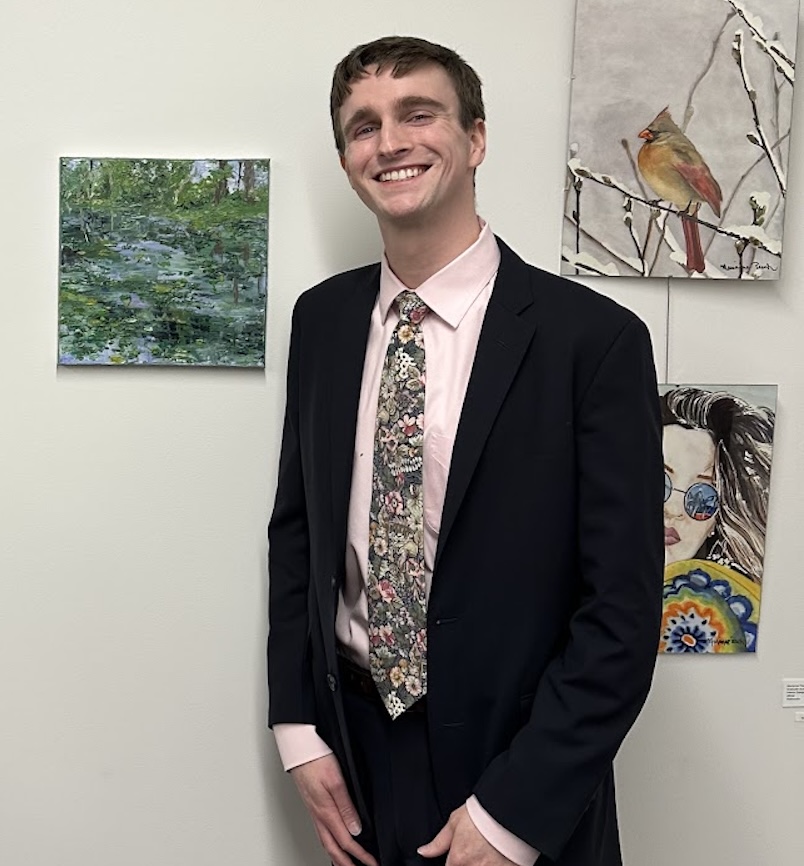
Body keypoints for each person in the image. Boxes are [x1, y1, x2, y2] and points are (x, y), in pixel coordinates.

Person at [267, 36, 662, 866]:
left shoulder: (593, 341)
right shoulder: (323, 322)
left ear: (475, 138)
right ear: (347, 161)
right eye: (363, 126)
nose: (392, 141)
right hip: (357, 745)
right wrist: (297, 725)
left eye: (419, 114)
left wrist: (515, 811)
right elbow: (297, 534)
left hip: (521, 760)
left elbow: (621, 613)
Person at [659, 386, 774, 653]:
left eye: (703, 496)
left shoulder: (732, 609)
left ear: (717, 521)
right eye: (657, 482)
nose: (674, 509)